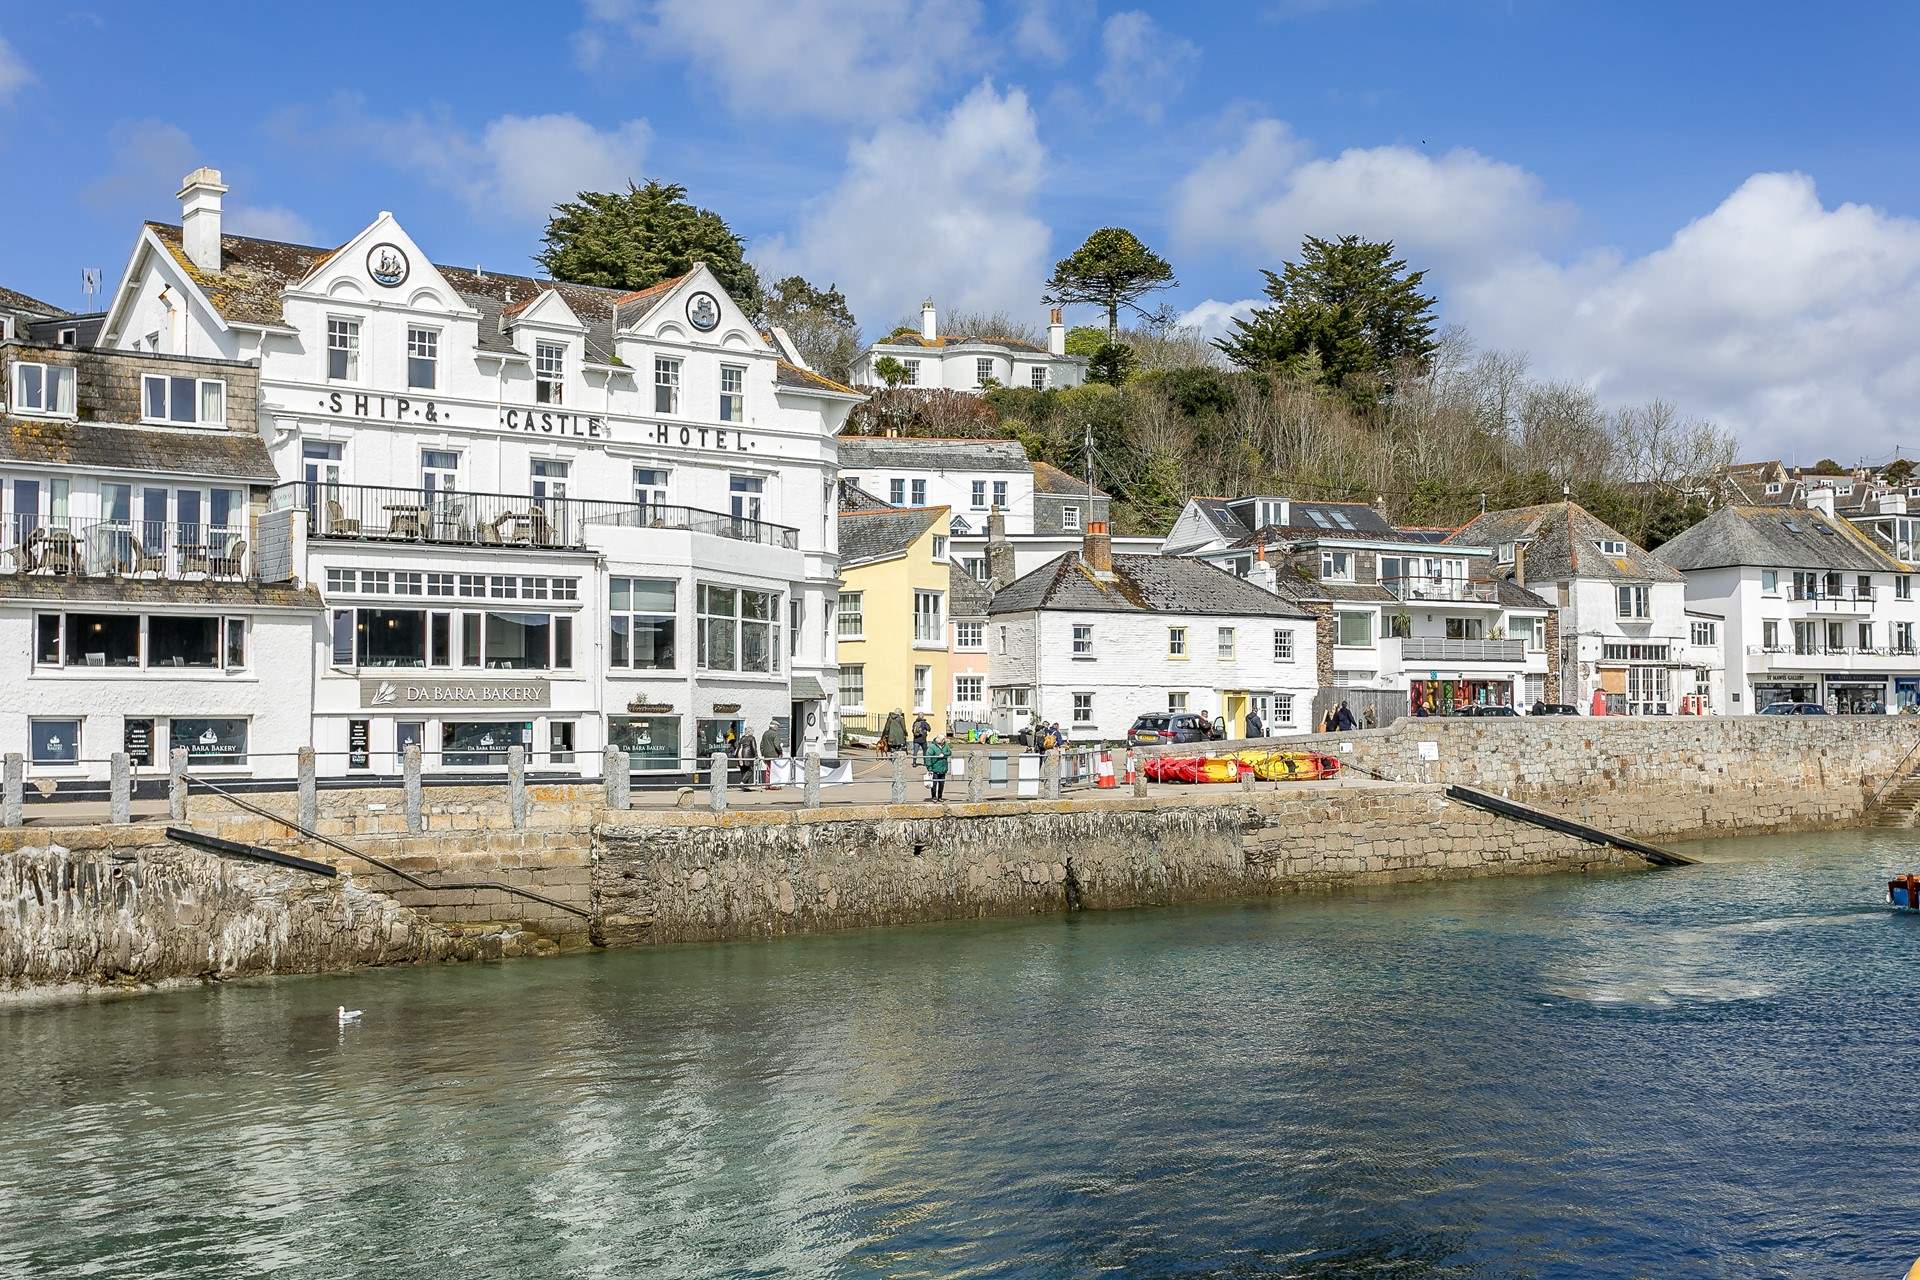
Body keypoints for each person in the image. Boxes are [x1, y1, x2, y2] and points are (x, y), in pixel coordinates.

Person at [925, 732, 952, 800]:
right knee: (934, 784)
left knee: (941, 784)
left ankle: (940, 797)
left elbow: (949, 752)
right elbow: (928, 757)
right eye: (943, 740)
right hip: (935, 768)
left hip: (943, 768)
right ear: (940, 740)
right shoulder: (932, 747)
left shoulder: (945, 745)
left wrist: (944, 754)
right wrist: (929, 767)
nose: (944, 741)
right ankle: (934, 797)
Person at [732, 722, 759, 790]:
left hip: (740, 755)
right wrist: (756, 756)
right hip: (747, 755)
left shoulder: (742, 738)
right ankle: (743, 782)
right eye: (752, 731)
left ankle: (745, 787)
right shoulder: (751, 738)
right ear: (750, 732)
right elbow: (754, 747)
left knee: (743, 770)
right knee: (750, 770)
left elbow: (738, 746)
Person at [759, 722, 785, 788]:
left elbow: (761, 745)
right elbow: (777, 745)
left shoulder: (765, 733)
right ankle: (774, 785)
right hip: (774, 754)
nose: (778, 728)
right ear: (774, 726)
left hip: (766, 755)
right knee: (774, 770)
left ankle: (767, 784)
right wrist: (780, 752)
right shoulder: (775, 734)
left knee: (768, 769)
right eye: (777, 726)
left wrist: (763, 753)